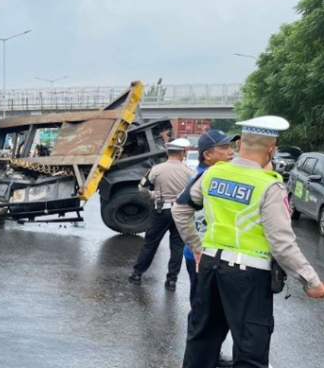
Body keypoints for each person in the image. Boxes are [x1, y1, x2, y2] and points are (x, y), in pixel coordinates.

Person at [172, 116, 324, 368]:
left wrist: (198, 249)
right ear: (272, 149)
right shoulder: (269, 185)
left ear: (240, 143)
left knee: (202, 341)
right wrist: (311, 281)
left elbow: (180, 210)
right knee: (250, 351)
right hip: (248, 277)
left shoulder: (213, 174)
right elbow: (282, 243)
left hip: (210, 267)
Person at [177, 130, 239, 368]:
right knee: (201, 308)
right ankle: (198, 356)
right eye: (224, 148)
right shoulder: (205, 178)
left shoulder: (213, 175)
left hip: (208, 255)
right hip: (200, 257)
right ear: (208, 154)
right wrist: (197, 249)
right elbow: (181, 213)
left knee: (207, 307)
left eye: (230, 147)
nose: (231, 152)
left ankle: (206, 353)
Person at [129, 138, 193, 291]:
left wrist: (153, 196)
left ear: (167, 152)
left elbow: (142, 189)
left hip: (160, 210)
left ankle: (137, 274)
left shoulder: (156, 170)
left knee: (150, 244)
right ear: (182, 153)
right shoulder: (189, 172)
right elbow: (193, 194)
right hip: (180, 212)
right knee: (177, 247)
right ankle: (171, 281)